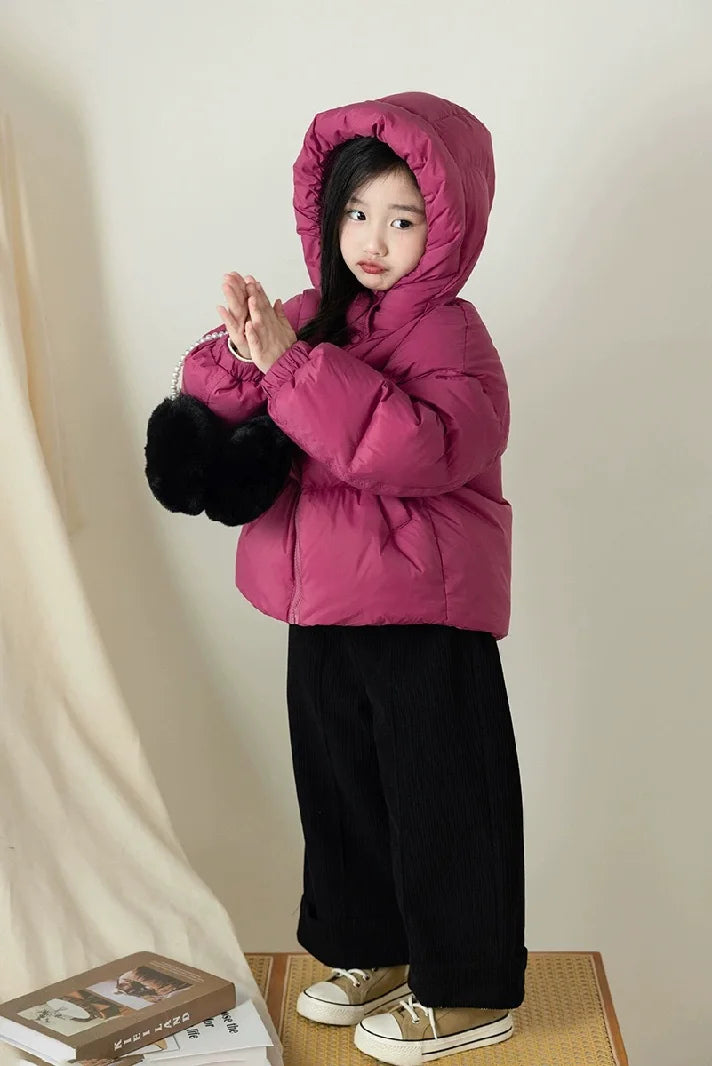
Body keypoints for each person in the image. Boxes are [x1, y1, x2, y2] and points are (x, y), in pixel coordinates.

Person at [163, 91, 526, 1065]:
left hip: (422, 609)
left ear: (445, 229)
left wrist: (292, 367)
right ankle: (372, 947)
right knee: (340, 788)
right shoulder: (314, 318)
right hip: (321, 602)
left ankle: (468, 987)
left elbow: (415, 448)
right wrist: (242, 344)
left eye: (403, 219)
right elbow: (217, 394)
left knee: (443, 797)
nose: (372, 239)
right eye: (357, 213)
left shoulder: (450, 335)